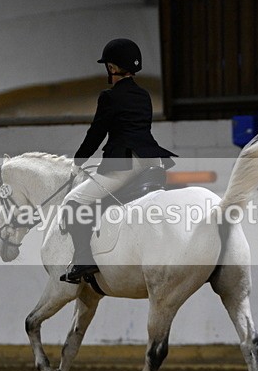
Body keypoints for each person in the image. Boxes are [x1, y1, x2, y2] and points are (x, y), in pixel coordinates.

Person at [60, 38, 177, 284]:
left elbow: (96, 133)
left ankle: (83, 258)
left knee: (73, 201)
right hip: (153, 162)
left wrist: (79, 160)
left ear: (112, 68)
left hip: (126, 164)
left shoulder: (109, 97)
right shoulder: (144, 96)